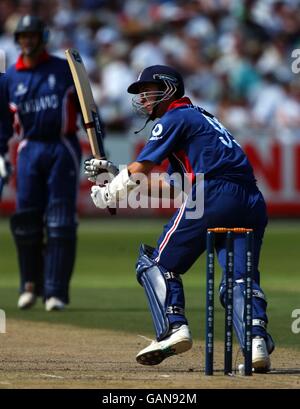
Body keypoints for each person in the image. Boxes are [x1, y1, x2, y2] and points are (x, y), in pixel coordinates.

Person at [85, 65, 275, 372]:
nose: (144, 100)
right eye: (141, 95)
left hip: (212, 192)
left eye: (149, 92)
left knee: (156, 263)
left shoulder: (175, 117)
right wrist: (114, 173)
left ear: (169, 88)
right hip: (250, 199)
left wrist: (110, 194)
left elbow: (143, 168)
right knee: (240, 278)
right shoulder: (202, 118)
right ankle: (256, 343)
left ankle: (174, 328)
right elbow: (172, 185)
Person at [0, 15, 82, 311]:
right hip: (29, 149)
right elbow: (3, 122)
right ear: (18, 40)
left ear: (42, 37)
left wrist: (98, 149)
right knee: (26, 222)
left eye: (33, 35)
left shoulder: (64, 69)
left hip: (62, 146)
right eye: (23, 36)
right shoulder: (10, 77)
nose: (28, 40)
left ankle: (56, 291)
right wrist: (0, 152)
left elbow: (88, 110)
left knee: (60, 222)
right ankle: (29, 286)